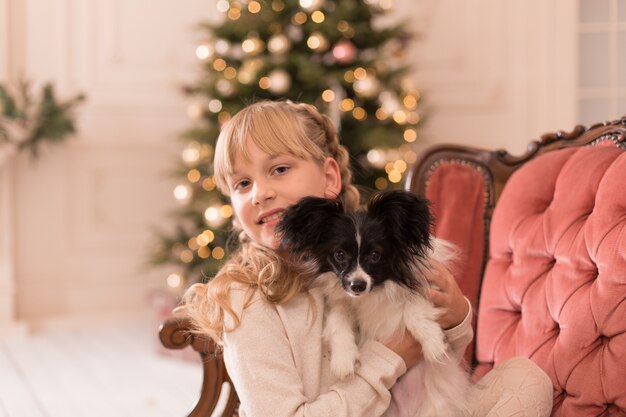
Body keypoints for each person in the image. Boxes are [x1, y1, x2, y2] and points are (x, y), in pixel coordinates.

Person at [182, 100, 553, 417]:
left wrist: (455, 318)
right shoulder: (249, 302)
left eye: (279, 169)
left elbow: (429, 361)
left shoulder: (374, 257)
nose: (260, 193)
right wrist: (390, 358)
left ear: (329, 177)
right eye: (242, 184)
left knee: (525, 379)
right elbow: (397, 358)